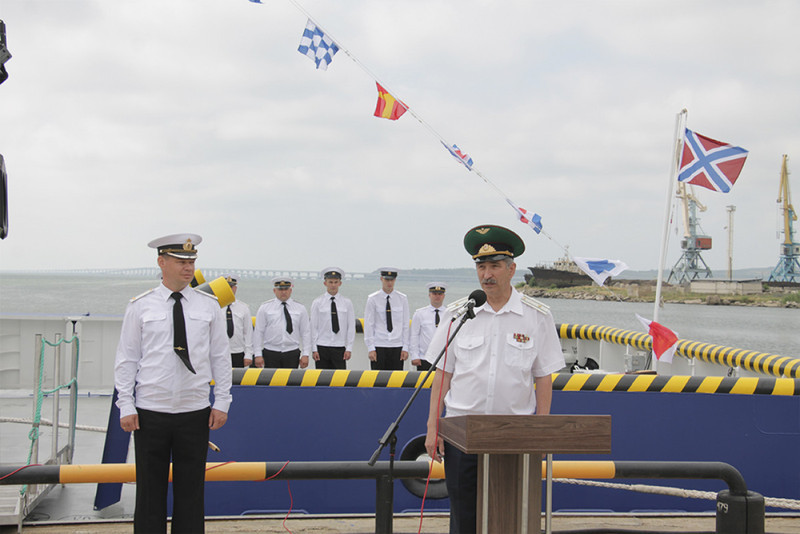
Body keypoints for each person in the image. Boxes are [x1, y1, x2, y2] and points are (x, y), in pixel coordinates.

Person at [424, 224, 565, 534]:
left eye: (495, 266)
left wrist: (541, 430)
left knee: (513, 517)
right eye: (481, 266)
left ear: (511, 269)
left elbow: (543, 377)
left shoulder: (536, 316)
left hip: (514, 434)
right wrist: (434, 427)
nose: (487, 274)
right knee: (464, 519)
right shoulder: (458, 314)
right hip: (463, 431)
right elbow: (442, 375)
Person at [114, 233, 232, 534]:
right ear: (161, 262)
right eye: (181, 261)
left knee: (191, 491)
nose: (188, 267)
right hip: (150, 411)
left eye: (191, 261)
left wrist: (222, 401)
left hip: (194, 411)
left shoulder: (208, 306)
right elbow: (127, 359)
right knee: (150, 491)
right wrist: (125, 404)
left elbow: (221, 357)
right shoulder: (140, 307)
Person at [252, 276, 311, 369]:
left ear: (290, 290)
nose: (283, 292)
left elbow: (306, 333)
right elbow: (258, 332)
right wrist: (258, 354)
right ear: (274, 291)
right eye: (280, 289)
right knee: (271, 382)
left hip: (292, 352)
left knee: (290, 382)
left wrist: (306, 354)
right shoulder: (265, 308)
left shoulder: (300, 308)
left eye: (286, 289)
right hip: (270, 352)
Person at [363, 268, 410, 370]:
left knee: (396, 381)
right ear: (381, 279)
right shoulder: (373, 299)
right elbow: (368, 324)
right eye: (387, 280)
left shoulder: (402, 299)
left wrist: (405, 347)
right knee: (378, 381)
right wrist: (371, 348)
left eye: (391, 280)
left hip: (397, 345)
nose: (389, 282)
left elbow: (405, 324)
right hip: (379, 345)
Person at [309, 267, 356, 369]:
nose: (333, 285)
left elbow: (351, 327)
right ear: (325, 283)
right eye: (330, 282)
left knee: (340, 380)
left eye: (336, 282)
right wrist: (314, 349)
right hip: (322, 346)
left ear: (340, 283)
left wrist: (349, 348)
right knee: (322, 380)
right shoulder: (317, 302)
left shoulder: (347, 303)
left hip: (340, 347)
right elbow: (313, 327)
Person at [409, 282, 447, 371]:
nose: (437, 296)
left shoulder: (448, 314)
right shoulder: (420, 314)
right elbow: (414, 336)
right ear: (429, 295)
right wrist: (415, 355)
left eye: (440, 294)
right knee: (424, 384)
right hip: (424, 358)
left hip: (443, 359)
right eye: (434, 294)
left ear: (444, 296)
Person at [223, 275, 254, 368]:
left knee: (237, 380)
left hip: (238, 352)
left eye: (231, 287)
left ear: (235, 288)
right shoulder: (214, 307)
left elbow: (248, 333)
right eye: (226, 287)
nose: (229, 289)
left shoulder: (243, 308)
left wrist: (248, 354)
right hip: (219, 352)